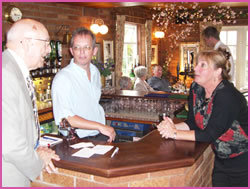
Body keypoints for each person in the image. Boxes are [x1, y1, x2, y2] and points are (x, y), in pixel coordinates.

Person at [157, 50, 248, 187]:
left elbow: (210, 134)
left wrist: (174, 133)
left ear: (218, 72)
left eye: (203, 65)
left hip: (243, 160)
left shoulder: (227, 96)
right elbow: (192, 123)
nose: (195, 68)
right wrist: (171, 127)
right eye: (197, 64)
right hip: (221, 159)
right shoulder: (196, 88)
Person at [2, 19, 60, 187]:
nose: (49, 50)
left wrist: (36, 149)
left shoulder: (14, 70)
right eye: (46, 44)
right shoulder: (5, 74)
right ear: (28, 43)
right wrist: (38, 161)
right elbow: (9, 144)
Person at [52, 27, 116, 143]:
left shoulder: (95, 71)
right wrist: (99, 126)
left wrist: (101, 127)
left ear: (94, 51)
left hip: (99, 135)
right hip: (77, 140)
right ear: (72, 51)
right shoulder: (63, 78)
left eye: (86, 47)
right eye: (77, 48)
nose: (82, 52)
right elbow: (65, 118)